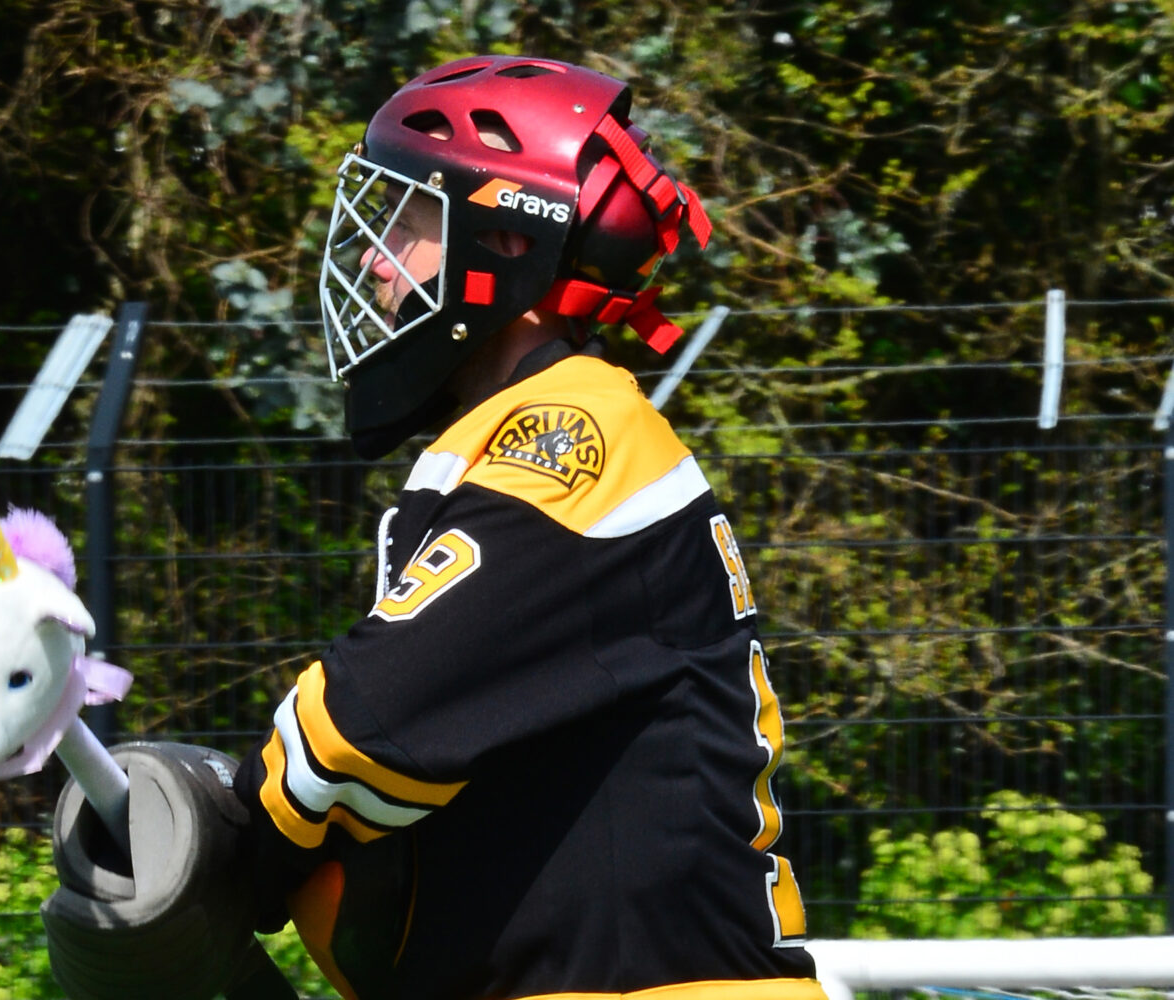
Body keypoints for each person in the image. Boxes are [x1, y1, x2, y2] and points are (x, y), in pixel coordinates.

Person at [233, 54, 826, 1000]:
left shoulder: (575, 431)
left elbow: (365, 722)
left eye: (410, 224)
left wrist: (226, 850)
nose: (376, 263)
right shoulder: (530, 430)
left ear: (505, 242)